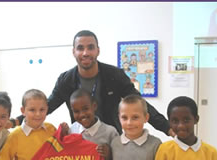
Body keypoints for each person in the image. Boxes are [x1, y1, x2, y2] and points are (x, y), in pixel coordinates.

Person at [9, 30, 174, 137]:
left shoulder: (114, 75)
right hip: (80, 141)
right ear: (74, 52)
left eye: (90, 47)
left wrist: (167, 128)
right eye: (80, 48)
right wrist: (16, 121)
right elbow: (47, 106)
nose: (85, 52)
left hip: (111, 140)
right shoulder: (66, 80)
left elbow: (140, 104)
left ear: (98, 50)